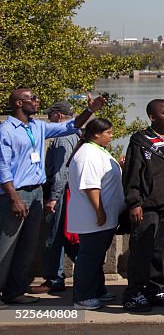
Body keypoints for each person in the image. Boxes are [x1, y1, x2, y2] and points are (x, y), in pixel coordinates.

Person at [0, 89, 104, 306]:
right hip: (14, 194)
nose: (38, 102)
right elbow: (2, 168)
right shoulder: (6, 130)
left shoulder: (37, 126)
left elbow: (70, 126)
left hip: (36, 192)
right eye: (33, 99)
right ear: (19, 103)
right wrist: (13, 198)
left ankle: (14, 292)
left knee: (27, 247)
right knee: (5, 247)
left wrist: (90, 110)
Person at [122, 99, 164, 312]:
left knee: (162, 250)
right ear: (152, 116)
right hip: (148, 205)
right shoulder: (140, 140)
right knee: (142, 249)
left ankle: (157, 288)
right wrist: (134, 202)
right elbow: (132, 172)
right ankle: (135, 292)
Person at [66, 118, 124, 310]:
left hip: (103, 217)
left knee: (98, 256)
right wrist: (99, 211)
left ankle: (98, 290)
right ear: (96, 134)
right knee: (89, 257)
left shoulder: (96, 150)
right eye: (108, 132)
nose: (111, 136)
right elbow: (91, 186)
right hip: (93, 217)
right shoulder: (87, 154)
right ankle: (82, 296)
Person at [34, 101, 78, 295]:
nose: (49, 121)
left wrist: (52, 197)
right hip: (70, 192)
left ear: (58, 117)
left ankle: (54, 278)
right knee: (68, 237)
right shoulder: (77, 134)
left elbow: (61, 172)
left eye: (50, 116)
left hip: (59, 192)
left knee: (54, 237)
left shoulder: (62, 139)